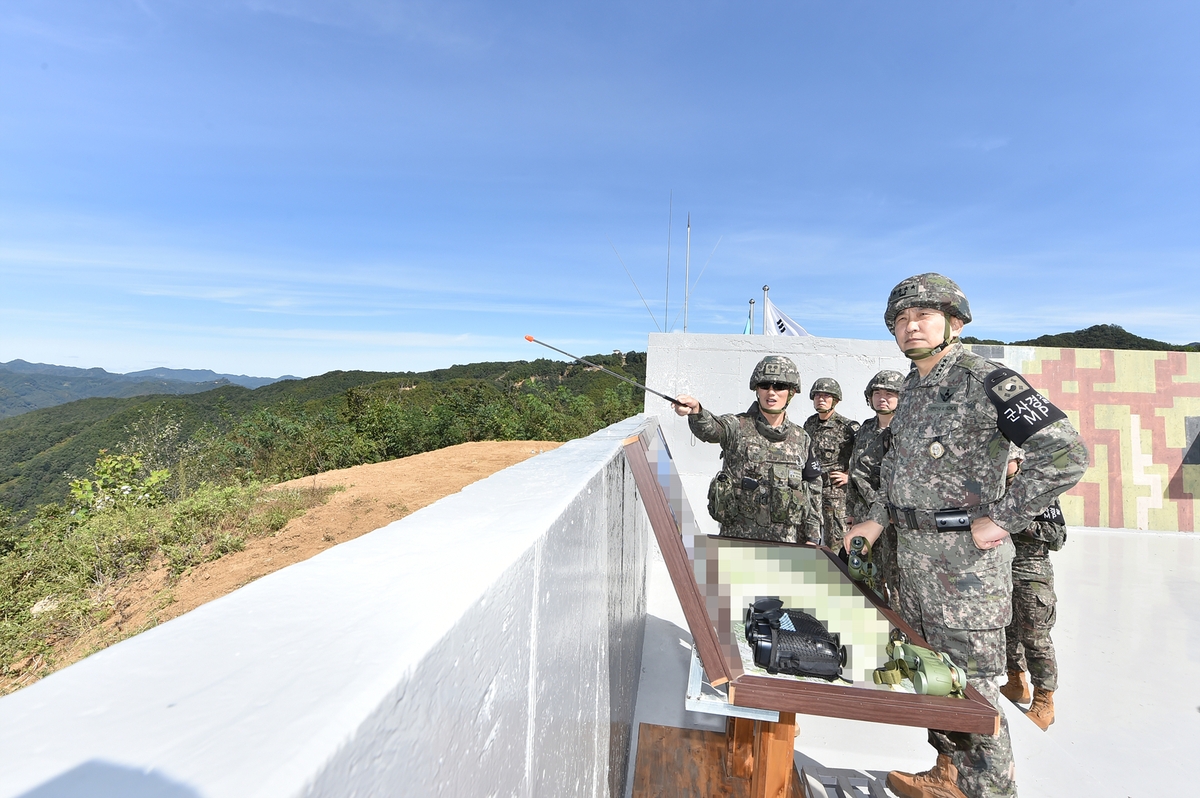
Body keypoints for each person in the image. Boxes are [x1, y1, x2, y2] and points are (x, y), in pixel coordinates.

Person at [845, 273, 1087, 798]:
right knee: (931, 679)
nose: (912, 326)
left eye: (924, 316)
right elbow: (901, 475)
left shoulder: (986, 380)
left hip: (965, 575)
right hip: (910, 566)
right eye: (902, 319)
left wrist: (1004, 516)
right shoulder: (910, 390)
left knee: (974, 698)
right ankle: (947, 776)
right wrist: (877, 518)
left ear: (954, 322)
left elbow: (1066, 453)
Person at [674, 356, 822, 544]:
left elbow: (813, 486)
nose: (771, 393)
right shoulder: (737, 426)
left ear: (791, 392)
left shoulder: (802, 439)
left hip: (784, 545)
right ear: (757, 390)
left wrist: (812, 536)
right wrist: (696, 411)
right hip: (736, 542)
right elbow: (711, 429)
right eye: (765, 386)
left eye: (779, 387)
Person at [999, 449, 1065, 732]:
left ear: (1019, 460)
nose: (1003, 466)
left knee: (1036, 638)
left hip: (1031, 575)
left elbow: (1057, 537)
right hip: (1000, 571)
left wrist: (1016, 522)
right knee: (1007, 631)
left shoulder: (1038, 490)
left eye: (1008, 460)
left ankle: (1044, 701)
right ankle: (1016, 681)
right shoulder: (992, 488)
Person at [846, 369, 905, 605]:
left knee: (896, 581)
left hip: (894, 522)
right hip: (863, 517)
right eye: (877, 393)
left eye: (890, 393)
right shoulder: (866, 429)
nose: (883, 398)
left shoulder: (906, 430)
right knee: (866, 576)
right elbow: (855, 473)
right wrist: (850, 512)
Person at [804, 378, 860, 552]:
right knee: (808, 538)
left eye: (826, 396)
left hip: (834, 493)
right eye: (818, 395)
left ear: (835, 400)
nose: (821, 399)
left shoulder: (847, 427)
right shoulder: (810, 424)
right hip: (811, 489)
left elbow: (865, 456)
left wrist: (850, 476)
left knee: (836, 543)